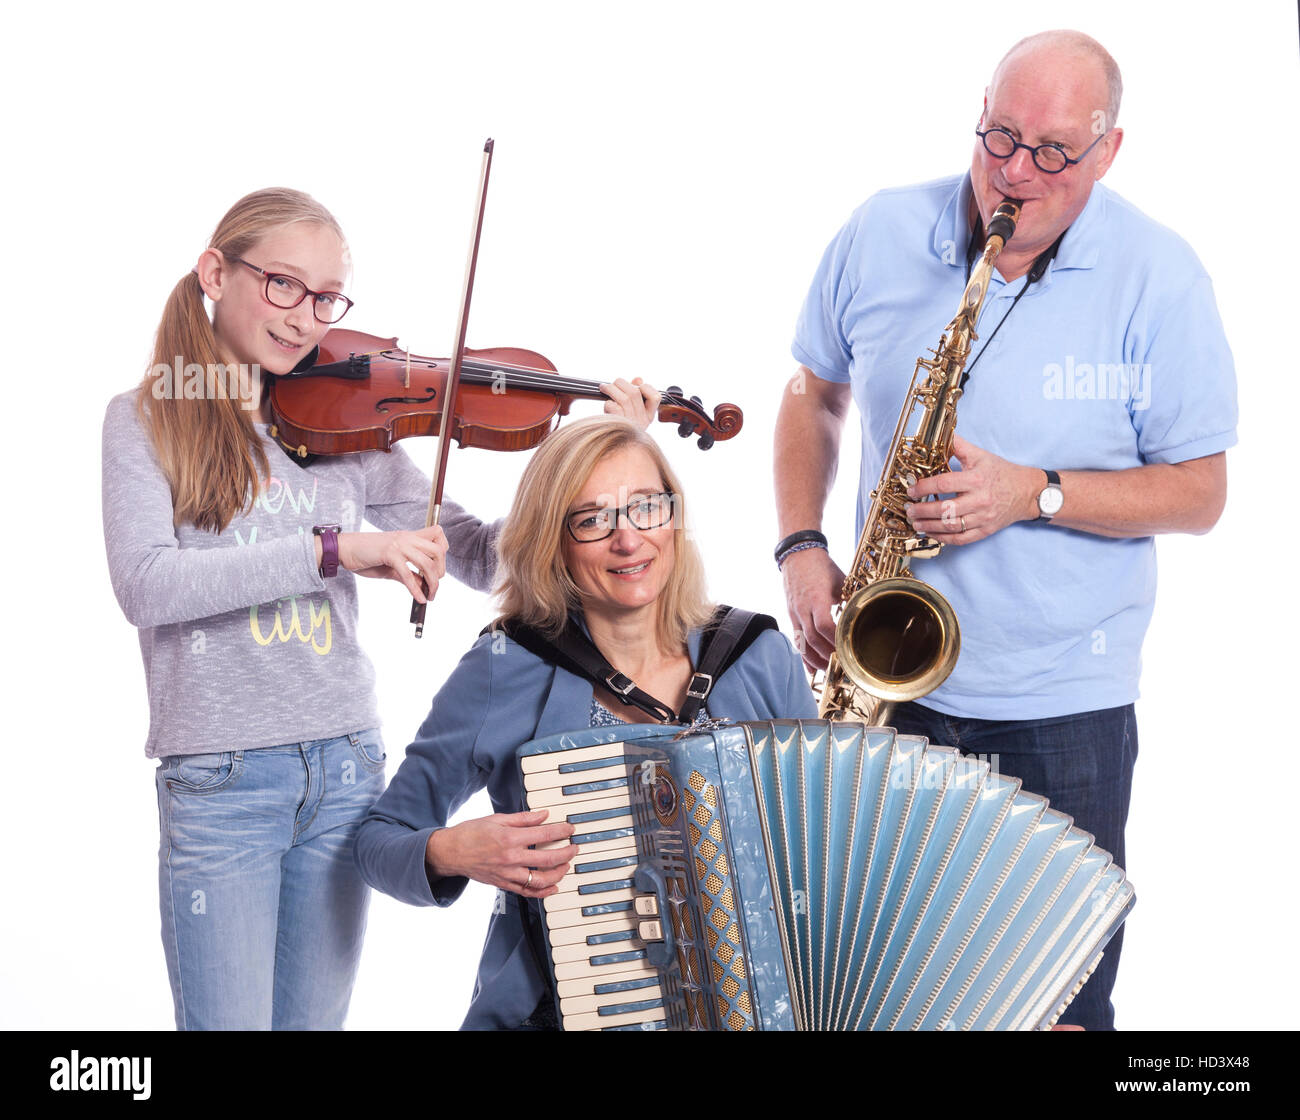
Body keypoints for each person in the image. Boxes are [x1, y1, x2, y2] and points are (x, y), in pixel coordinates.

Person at [103, 187, 660, 1030]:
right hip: (222, 782)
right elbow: (147, 586)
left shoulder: (349, 424)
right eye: (283, 285)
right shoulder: (144, 422)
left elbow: (473, 555)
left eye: (327, 298)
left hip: (343, 770)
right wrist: (334, 550)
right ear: (216, 272)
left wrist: (588, 469)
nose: (305, 319)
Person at [774, 31, 1236, 1031]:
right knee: (861, 991)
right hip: (881, 692)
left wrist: (1038, 492)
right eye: (998, 137)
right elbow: (812, 392)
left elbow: (1202, 491)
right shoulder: (880, 229)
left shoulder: (1162, 277)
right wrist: (801, 545)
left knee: (1051, 1008)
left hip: (1061, 712)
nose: (1013, 175)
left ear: (1107, 153)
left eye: (1053, 152)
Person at [355, 416, 816, 1029]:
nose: (629, 541)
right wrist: (451, 850)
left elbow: (820, 839)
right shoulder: (506, 666)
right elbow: (378, 838)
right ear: (555, 539)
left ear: (673, 517)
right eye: (594, 519)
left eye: (645, 508)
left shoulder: (758, 653)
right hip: (560, 1012)